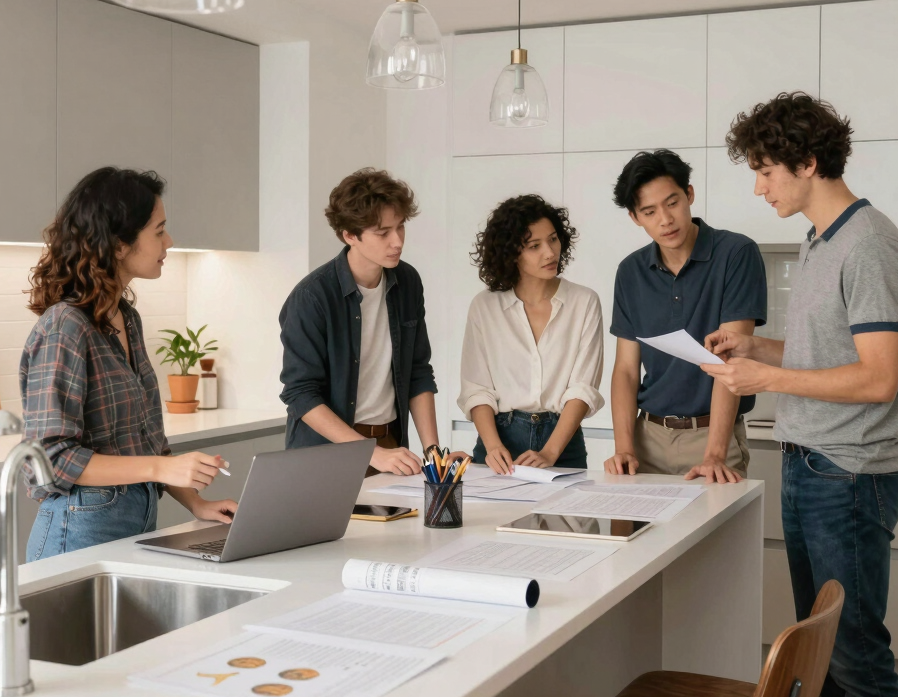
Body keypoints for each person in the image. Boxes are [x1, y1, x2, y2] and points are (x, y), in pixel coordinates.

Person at [704, 92, 898, 697]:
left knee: (859, 654)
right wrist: (758, 353)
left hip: (848, 476)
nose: (759, 188)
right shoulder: (823, 242)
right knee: (830, 655)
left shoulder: (870, 244)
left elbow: (877, 378)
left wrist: (769, 383)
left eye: (765, 172)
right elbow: (832, 358)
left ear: (808, 163)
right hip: (810, 466)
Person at [22, 167, 236, 561]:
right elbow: (50, 459)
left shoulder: (125, 318)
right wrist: (160, 469)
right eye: (159, 230)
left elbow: (145, 442)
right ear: (119, 244)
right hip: (76, 533)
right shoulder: (65, 327)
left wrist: (197, 504)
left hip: (132, 526)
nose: (169, 241)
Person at [604, 150, 767, 483]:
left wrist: (715, 455)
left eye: (672, 203)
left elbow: (729, 359)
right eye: (649, 211)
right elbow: (625, 369)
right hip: (645, 437)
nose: (665, 219)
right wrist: (624, 448)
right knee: (638, 535)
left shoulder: (735, 254)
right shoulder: (631, 272)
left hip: (711, 437)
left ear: (689, 195)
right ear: (636, 217)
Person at [279, 168, 448, 476]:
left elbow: (418, 372)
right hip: (325, 454)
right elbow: (300, 393)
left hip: (390, 446)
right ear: (349, 235)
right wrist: (370, 453)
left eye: (400, 228)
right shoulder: (312, 297)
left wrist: (433, 452)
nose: (397, 241)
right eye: (383, 233)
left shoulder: (407, 281)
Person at [459, 194, 604, 474]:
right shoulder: (485, 306)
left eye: (553, 239)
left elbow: (582, 388)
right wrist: (492, 447)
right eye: (534, 246)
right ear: (511, 253)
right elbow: (477, 389)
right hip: (497, 441)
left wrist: (550, 451)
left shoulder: (584, 302)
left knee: (564, 519)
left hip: (562, 441)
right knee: (492, 517)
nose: (550, 253)